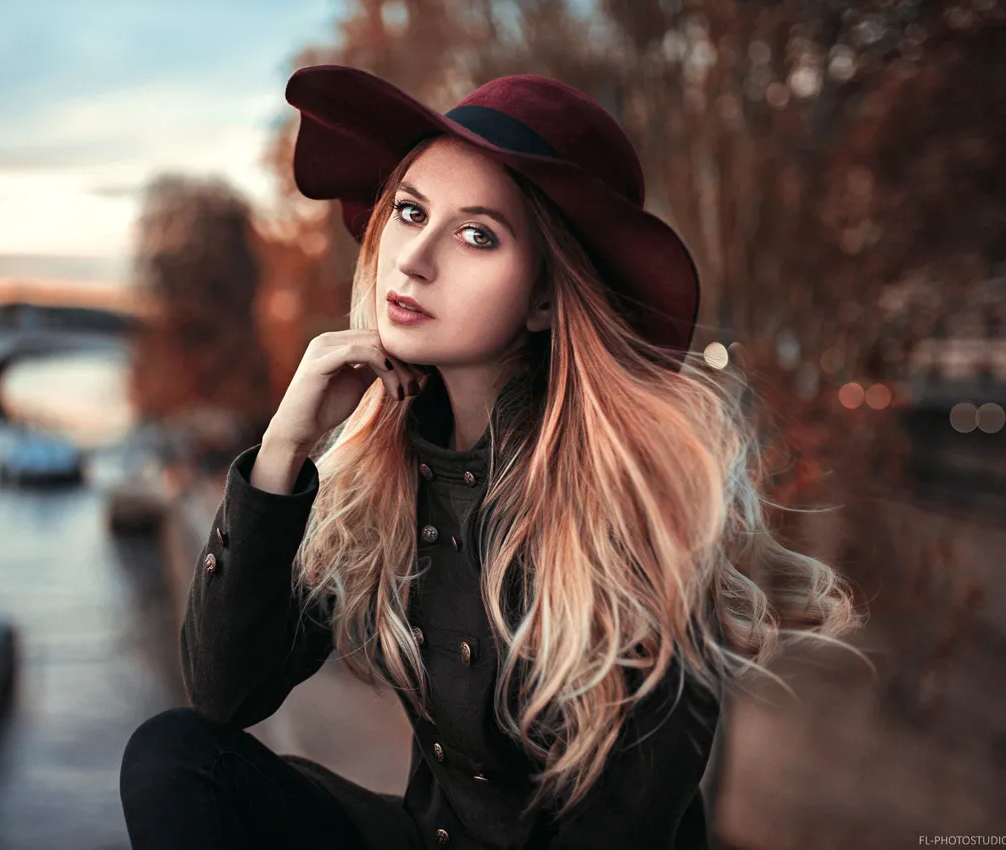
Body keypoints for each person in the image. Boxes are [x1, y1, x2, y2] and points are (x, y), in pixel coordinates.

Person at [119, 64, 865, 850]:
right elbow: (225, 693)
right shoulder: (382, 470)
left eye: (478, 234)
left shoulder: (638, 514)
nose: (414, 259)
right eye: (410, 211)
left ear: (545, 297)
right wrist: (285, 448)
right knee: (176, 758)